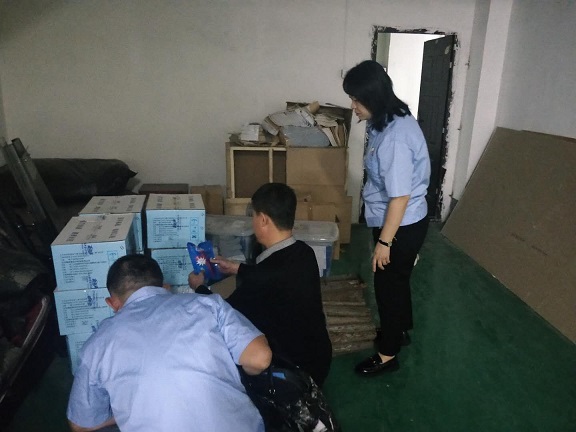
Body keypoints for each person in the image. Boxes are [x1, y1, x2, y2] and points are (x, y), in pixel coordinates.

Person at [67, 254, 272, 432]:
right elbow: (260, 358)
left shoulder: (97, 345)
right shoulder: (208, 304)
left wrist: (126, 411)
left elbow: (81, 424)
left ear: (112, 304)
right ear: (165, 288)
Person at [189, 182, 332, 387]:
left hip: (293, 376)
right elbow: (274, 273)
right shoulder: (305, 252)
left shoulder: (261, 282)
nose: (253, 221)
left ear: (263, 220)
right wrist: (236, 267)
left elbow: (223, 312)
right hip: (319, 360)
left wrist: (199, 287)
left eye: (253, 216)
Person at [342, 60, 430, 376]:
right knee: (397, 281)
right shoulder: (386, 119)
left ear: (374, 96)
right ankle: (399, 330)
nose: (353, 106)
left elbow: (400, 197)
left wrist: (384, 242)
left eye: (357, 99)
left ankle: (388, 354)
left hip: (400, 224)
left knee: (387, 287)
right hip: (399, 220)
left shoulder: (396, 137)